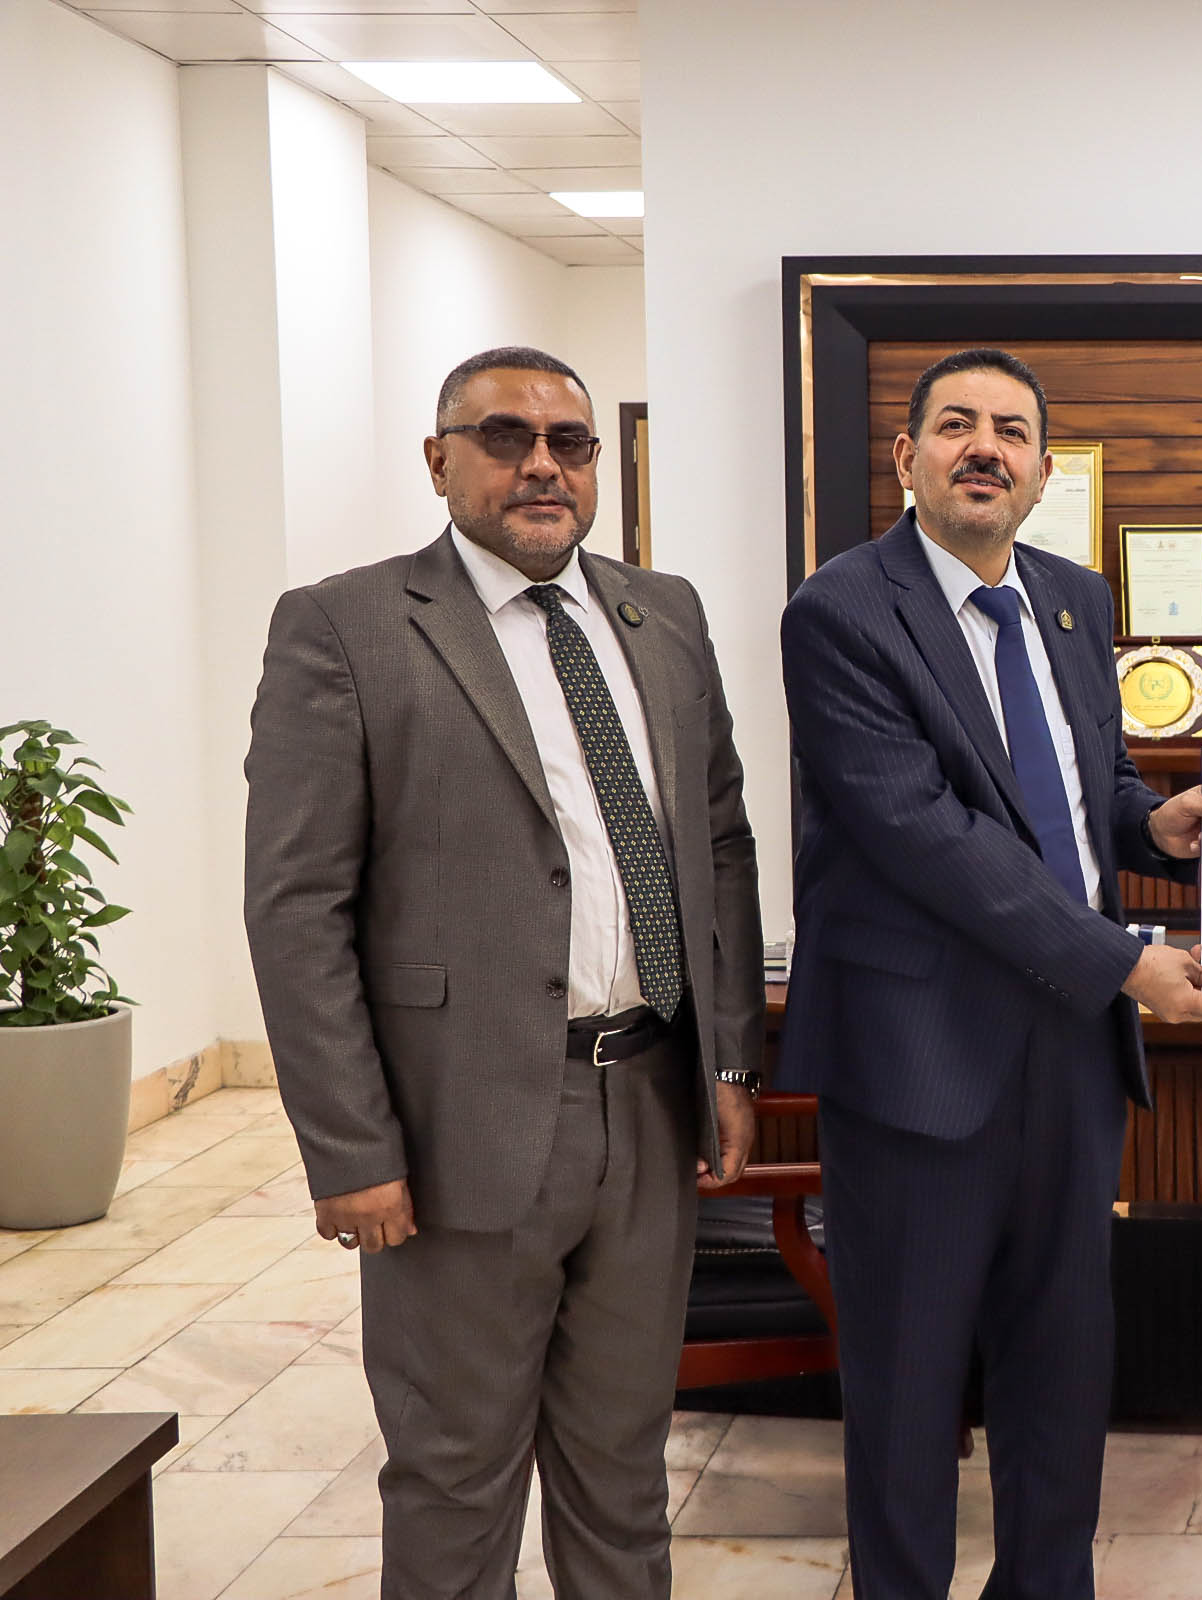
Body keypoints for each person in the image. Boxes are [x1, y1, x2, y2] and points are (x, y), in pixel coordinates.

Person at [244, 345, 764, 1600]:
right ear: (440, 461)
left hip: (649, 1101)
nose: (542, 465)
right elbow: (298, 907)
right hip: (457, 1127)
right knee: (456, 1477)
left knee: (623, 1472)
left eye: (568, 443)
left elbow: (721, 842)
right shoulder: (348, 626)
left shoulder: (664, 613)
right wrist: (351, 1147)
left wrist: (731, 1060)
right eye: (504, 438)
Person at [779, 348, 1202, 1600]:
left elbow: (1084, 789)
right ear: (908, 457)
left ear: (1042, 473)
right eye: (955, 425)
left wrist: (1154, 827)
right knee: (909, 1382)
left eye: (1011, 431)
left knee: (1061, 1366)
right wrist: (1125, 962)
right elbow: (928, 833)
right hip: (920, 1057)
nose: (984, 447)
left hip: (1070, 1051)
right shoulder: (841, 610)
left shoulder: (1073, 600)